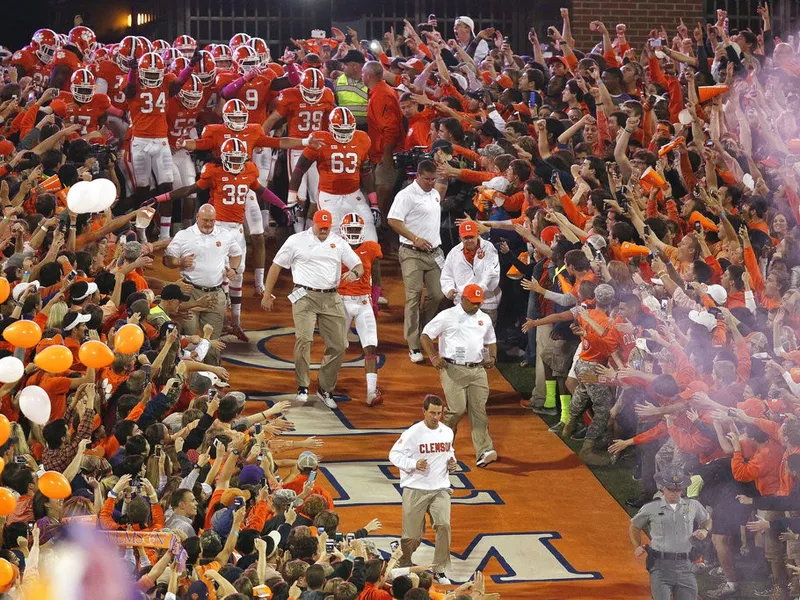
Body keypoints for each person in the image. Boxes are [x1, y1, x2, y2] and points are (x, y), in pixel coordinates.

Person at [261, 209, 363, 407]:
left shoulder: (338, 242)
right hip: (304, 296)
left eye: (327, 228)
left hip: (331, 297)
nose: (324, 231)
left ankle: (325, 388)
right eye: (320, 227)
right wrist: (267, 293)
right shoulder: (296, 241)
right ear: (313, 224)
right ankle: (302, 386)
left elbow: (357, 264)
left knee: (340, 345)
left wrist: (355, 274)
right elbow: (276, 266)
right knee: (304, 339)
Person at [421, 284, 498, 468]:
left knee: (479, 411)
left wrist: (493, 357)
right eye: (473, 302)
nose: (476, 306)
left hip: (478, 371)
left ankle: (484, 451)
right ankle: (441, 448)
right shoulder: (448, 316)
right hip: (452, 369)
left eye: (479, 303)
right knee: (456, 410)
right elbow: (425, 335)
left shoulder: (484, 318)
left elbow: (491, 341)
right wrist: (433, 356)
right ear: (463, 299)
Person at [389, 395, 456, 585]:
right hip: (415, 488)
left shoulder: (447, 432)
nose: (436, 417)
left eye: (439, 413)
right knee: (411, 537)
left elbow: (449, 452)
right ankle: (405, 562)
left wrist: (453, 463)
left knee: (443, 525)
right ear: (424, 411)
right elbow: (394, 455)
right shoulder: (412, 433)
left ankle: (440, 568)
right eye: (432, 413)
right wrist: (413, 463)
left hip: (440, 488)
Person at [163, 204, 242, 362]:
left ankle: (211, 378)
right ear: (197, 217)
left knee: (213, 340)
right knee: (188, 337)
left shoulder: (224, 235)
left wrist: (233, 269)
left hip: (215, 294)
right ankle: (184, 378)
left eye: (212, 221)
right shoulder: (184, 235)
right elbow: (167, 260)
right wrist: (180, 262)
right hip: (189, 293)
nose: (208, 224)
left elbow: (236, 253)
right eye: (205, 220)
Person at [387, 160, 445, 363]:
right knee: (413, 296)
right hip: (412, 252)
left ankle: (424, 331)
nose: (431, 182)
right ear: (417, 176)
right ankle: (413, 345)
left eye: (433, 179)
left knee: (438, 294)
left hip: (434, 252)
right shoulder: (405, 196)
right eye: (427, 179)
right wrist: (415, 239)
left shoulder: (435, 194)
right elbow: (393, 220)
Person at [629, 465, 712, 600]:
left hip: (686, 566)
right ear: (663, 487)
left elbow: (707, 520)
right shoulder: (651, 507)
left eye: (677, 489)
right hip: (660, 567)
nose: (674, 492)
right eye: (670, 489)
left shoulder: (693, 505)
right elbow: (634, 526)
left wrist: (705, 530)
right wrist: (636, 546)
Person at [338, 213, 384, 406]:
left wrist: (374, 302)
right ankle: (326, 386)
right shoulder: (336, 247)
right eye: (350, 229)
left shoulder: (371, 248)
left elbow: (377, 278)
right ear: (342, 230)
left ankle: (371, 392)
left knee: (371, 346)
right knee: (336, 346)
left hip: (363, 301)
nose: (354, 233)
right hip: (341, 301)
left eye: (357, 230)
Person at [440, 220, 501, 323]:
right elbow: (447, 275)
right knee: (464, 337)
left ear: (477, 234)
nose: (469, 241)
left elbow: (492, 275)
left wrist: (475, 292)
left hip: (486, 303)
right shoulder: (454, 253)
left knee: (485, 338)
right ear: (460, 237)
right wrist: (449, 289)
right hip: (463, 304)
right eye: (465, 238)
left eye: (471, 237)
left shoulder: (489, 248)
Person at [334, 50, 368, 131]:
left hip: (366, 127)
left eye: (345, 64)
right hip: (343, 128)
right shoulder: (338, 81)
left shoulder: (370, 79)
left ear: (355, 66)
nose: (342, 67)